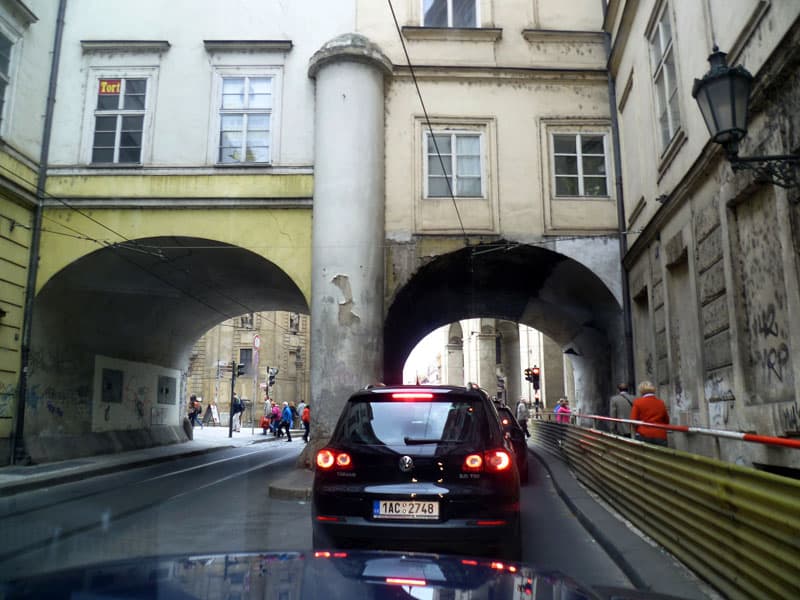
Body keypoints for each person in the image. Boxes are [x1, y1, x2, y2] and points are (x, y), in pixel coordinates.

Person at [630, 381, 669, 446]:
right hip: (660, 435)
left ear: (641, 391)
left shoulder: (638, 402)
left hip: (644, 434)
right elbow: (666, 420)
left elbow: (633, 420)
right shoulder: (661, 402)